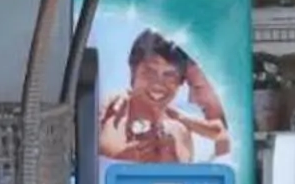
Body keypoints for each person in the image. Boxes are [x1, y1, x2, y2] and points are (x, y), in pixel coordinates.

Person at [96, 29, 232, 164]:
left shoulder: (179, 130)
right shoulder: (114, 114)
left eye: (169, 75)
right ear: (133, 72)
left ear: (180, 82)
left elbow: (222, 136)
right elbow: (107, 157)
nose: (158, 83)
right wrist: (127, 155)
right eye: (149, 72)